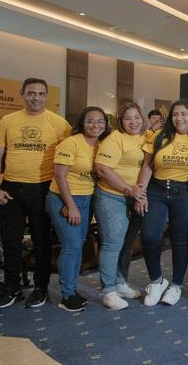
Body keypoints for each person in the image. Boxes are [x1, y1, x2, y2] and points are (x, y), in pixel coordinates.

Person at [0, 78, 71, 309]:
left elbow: (69, 158)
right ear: (22, 94)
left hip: (43, 188)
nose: (36, 98)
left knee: (42, 241)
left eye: (41, 94)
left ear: (47, 96)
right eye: (31, 93)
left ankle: (41, 288)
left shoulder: (59, 123)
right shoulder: (8, 120)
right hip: (10, 189)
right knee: (10, 241)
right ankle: (11, 288)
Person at [135, 100, 188, 306]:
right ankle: (156, 281)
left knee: (179, 240)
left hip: (185, 192)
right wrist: (141, 193)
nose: (179, 118)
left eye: (184, 114)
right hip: (157, 190)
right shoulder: (159, 136)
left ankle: (176, 285)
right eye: (175, 114)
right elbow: (147, 165)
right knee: (149, 236)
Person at [46, 107, 109, 311]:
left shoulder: (102, 145)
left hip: (86, 199)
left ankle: (72, 289)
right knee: (71, 246)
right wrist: (70, 205)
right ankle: (66, 295)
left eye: (100, 121)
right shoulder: (71, 143)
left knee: (78, 246)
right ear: (82, 123)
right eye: (90, 121)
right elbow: (59, 176)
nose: (95, 125)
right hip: (64, 199)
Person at [93, 102, 147, 310]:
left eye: (136, 117)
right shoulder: (114, 139)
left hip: (135, 197)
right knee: (112, 242)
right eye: (127, 118)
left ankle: (120, 281)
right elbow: (102, 169)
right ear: (120, 121)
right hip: (112, 196)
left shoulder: (147, 136)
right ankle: (108, 290)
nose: (133, 122)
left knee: (127, 242)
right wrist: (127, 189)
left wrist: (139, 193)